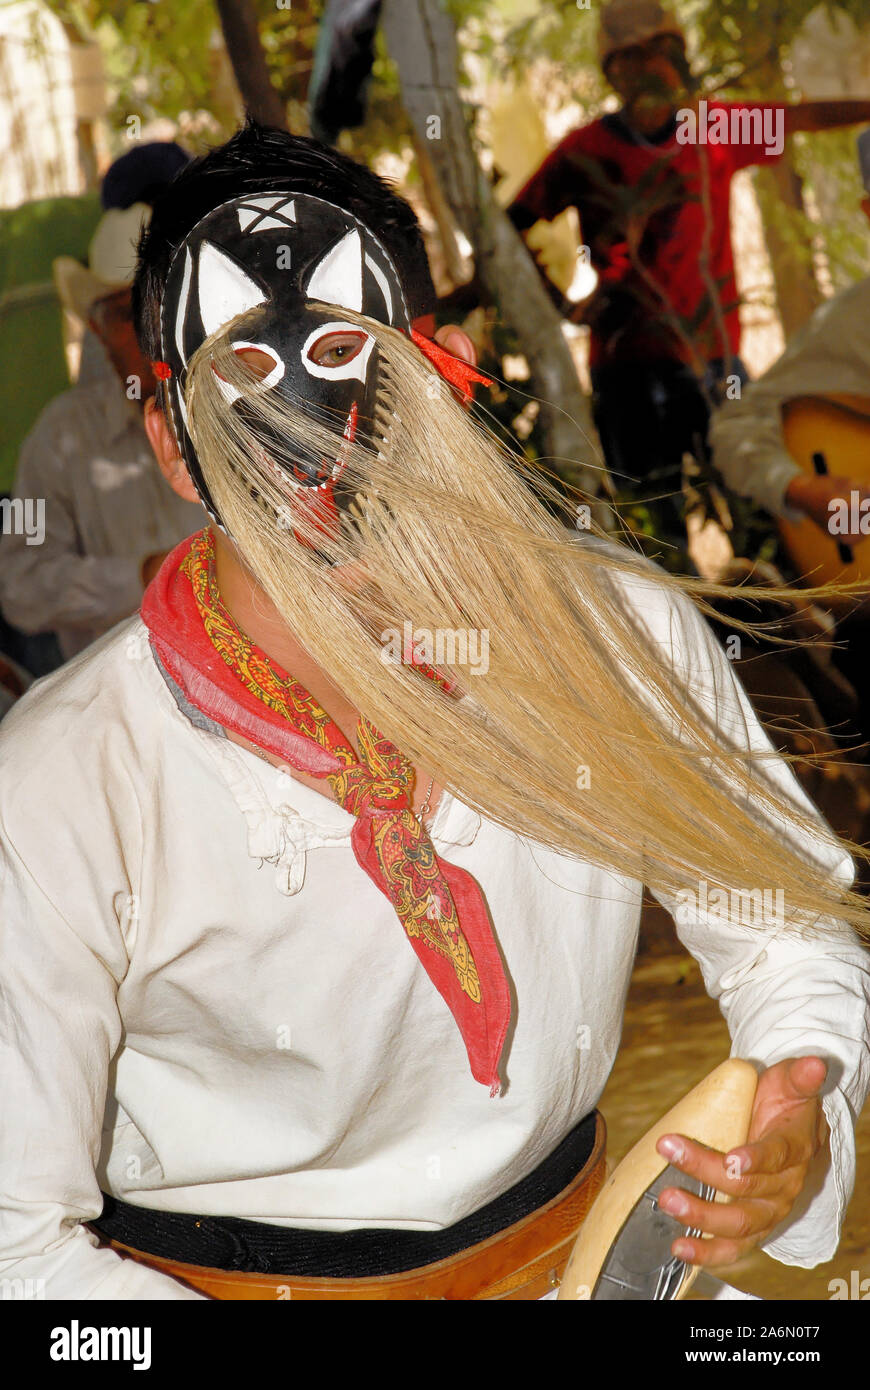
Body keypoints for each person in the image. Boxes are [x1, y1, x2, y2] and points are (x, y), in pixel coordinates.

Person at [0, 120, 867, 1302]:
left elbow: (777, 911)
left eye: (355, 353)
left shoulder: (616, 630)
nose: (308, 446)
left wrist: (800, 1103)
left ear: (448, 365)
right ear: (170, 442)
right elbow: (14, 1240)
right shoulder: (61, 780)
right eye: (242, 379)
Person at [506, 0, 870, 556]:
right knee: (658, 527)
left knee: (763, 514)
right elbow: (514, 224)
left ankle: (777, 624)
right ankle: (691, 636)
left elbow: (803, 116)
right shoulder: (587, 150)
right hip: (626, 369)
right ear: (613, 72)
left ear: (679, 58)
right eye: (630, 59)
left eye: (659, 54)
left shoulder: (715, 128)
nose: (648, 69)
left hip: (713, 358)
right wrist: (559, 301)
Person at [0, 151, 204, 664]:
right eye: (120, 314)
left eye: (151, 308)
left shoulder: (230, 412)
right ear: (95, 330)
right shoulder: (59, 439)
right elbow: (21, 586)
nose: (142, 333)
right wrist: (139, 576)